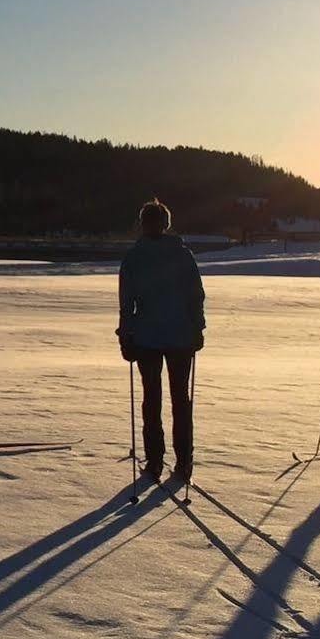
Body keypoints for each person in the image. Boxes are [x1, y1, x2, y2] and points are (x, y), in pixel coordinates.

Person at [116, 198, 204, 484]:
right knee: (180, 399)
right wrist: (197, 328)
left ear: (143, 224)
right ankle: (184, 461)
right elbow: (196, 296)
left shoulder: (134, 257)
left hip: (147, 338)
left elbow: (126, 303)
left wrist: (126, 335)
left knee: (152, 398)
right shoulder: (182, 255)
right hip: (180, 337)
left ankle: (155, 461)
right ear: (166, 224)